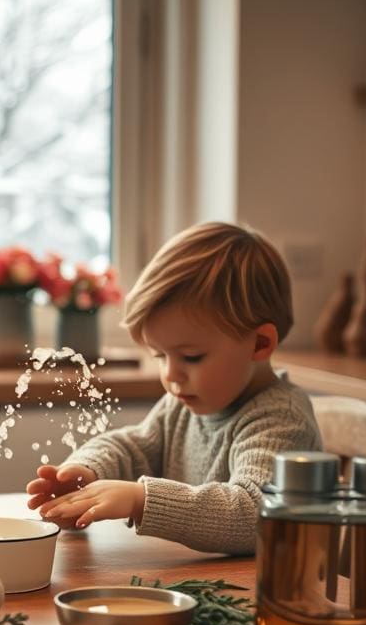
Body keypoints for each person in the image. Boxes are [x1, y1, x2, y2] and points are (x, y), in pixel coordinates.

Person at [27, 222, 321, 555]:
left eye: (191, 357)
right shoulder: (185, 402)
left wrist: (141, 500)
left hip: (265, 586)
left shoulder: (281, 419)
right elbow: (135, 446)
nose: (170, 374)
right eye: (159, 356)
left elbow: (253, 513)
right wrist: (86, 473)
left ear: (260, 343)